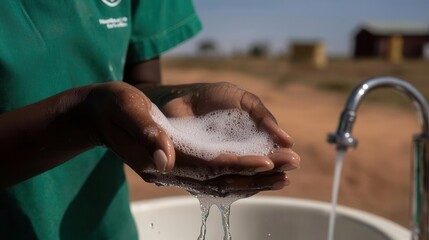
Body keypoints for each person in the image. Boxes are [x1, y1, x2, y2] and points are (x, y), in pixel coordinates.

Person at [0, 1, 300, 239]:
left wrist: (181, 97)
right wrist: (82, 118)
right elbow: (104, 109)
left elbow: (141, 88)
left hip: (105, 229)